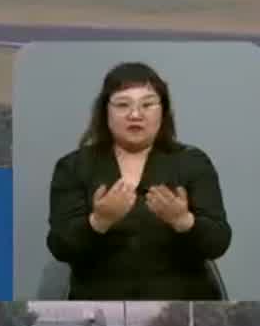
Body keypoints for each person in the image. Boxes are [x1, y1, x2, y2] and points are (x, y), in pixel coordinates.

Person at [46, 61, 232, 300]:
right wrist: (99, 221)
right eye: (123, 105)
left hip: (184, 297)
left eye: (147, 104)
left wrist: (183, 221)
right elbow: (60, 247)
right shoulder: (73, 167)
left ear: (163, 111)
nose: (135, 114)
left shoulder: (192, 163)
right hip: (101, 294)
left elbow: (219, 242)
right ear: (105, 112)